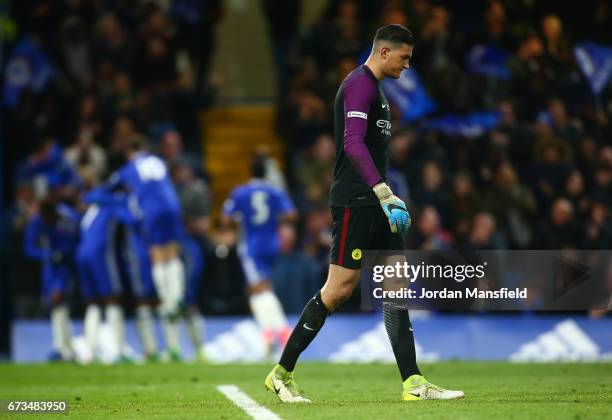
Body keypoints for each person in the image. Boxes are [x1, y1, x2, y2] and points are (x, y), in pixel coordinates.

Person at [265, 24, 464, 402]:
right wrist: (382, 190)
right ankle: (280, 373)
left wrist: (386, 197)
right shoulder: (358, 85)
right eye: (404, 58)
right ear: (384, 52)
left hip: (378, 202)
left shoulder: (378, 92)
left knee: (395, 285)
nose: (407, 66)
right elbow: (352, 143)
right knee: (338, 290)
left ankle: (413, 383)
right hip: (356, 201)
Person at [103, 135, 186, 360]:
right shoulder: (158, 162)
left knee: (158, 256)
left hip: (152, 211)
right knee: (173, 253)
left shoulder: (129, 167)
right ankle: (177, 296)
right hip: (172, 205)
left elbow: (110, 185)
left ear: (130, 153)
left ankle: (168, 301)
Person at [221, 156, 296, 355]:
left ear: (251, 171)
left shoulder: (240, 192)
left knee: (258, 289)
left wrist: (242, 218)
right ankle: (271, 334)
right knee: (262, 287)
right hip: (272, 243)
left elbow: (225, 218)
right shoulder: (274, 191)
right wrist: (272, 216)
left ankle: (279, 330)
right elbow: (290, 215)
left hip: (251, 246)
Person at [24, 195, 80, 361]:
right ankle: (64, 347)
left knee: (59, 299)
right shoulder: (37, 221)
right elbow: (28, 247)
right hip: (50, 266)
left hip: (67, 265)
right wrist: (48, 255)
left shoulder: (68, 217)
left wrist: (64, 254)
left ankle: (63, 347)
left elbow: (77, 238)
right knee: (55, 304)